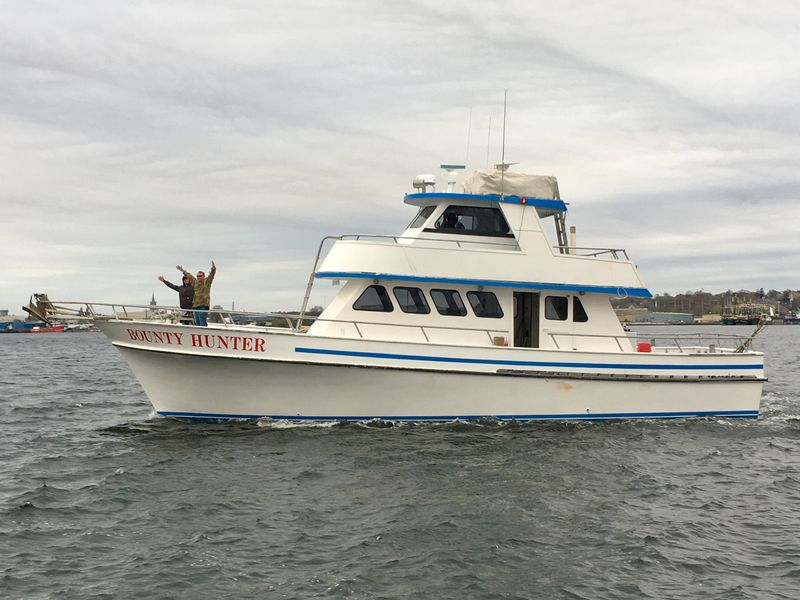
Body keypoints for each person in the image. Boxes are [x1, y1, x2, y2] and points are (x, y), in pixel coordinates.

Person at [176, 261, 216, 326]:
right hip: (196, 306)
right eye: (197, 276)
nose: (198, 277)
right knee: (197, 323)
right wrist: (182, 270)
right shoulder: (195, 282)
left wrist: (213, 269)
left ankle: (203, 334)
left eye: (200, 276)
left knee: (202, 322)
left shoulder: (207, 282)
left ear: (203, 276)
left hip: (203, 306)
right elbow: (189, 276)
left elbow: (211, 275)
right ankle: (198, 335)